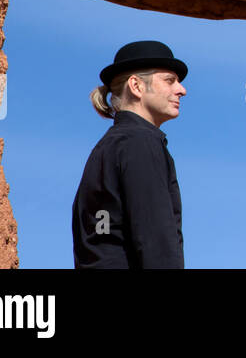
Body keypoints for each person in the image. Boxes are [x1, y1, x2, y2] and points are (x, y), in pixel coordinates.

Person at [71, 40, 188, 268]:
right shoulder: (140, 142)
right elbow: (156, 240)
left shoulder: (108, 146)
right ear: (136, 86)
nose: (181, 90)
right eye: (169, 81)